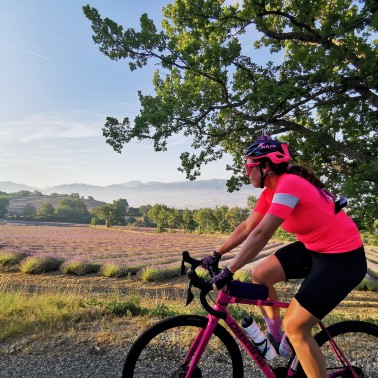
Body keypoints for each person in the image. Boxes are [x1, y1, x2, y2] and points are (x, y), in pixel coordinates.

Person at [201, 135, 367, 378]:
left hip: (342, 259)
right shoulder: (271, 191)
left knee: (297, 327)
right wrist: (216, 254)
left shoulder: (290, 184)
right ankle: (277, 338)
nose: (246, 172)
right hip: (314, 249)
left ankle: (292, 336)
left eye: (249, 166)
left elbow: (262, 234)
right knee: (261, 274)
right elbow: (247, 227)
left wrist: (230, 270)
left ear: (265, 166)